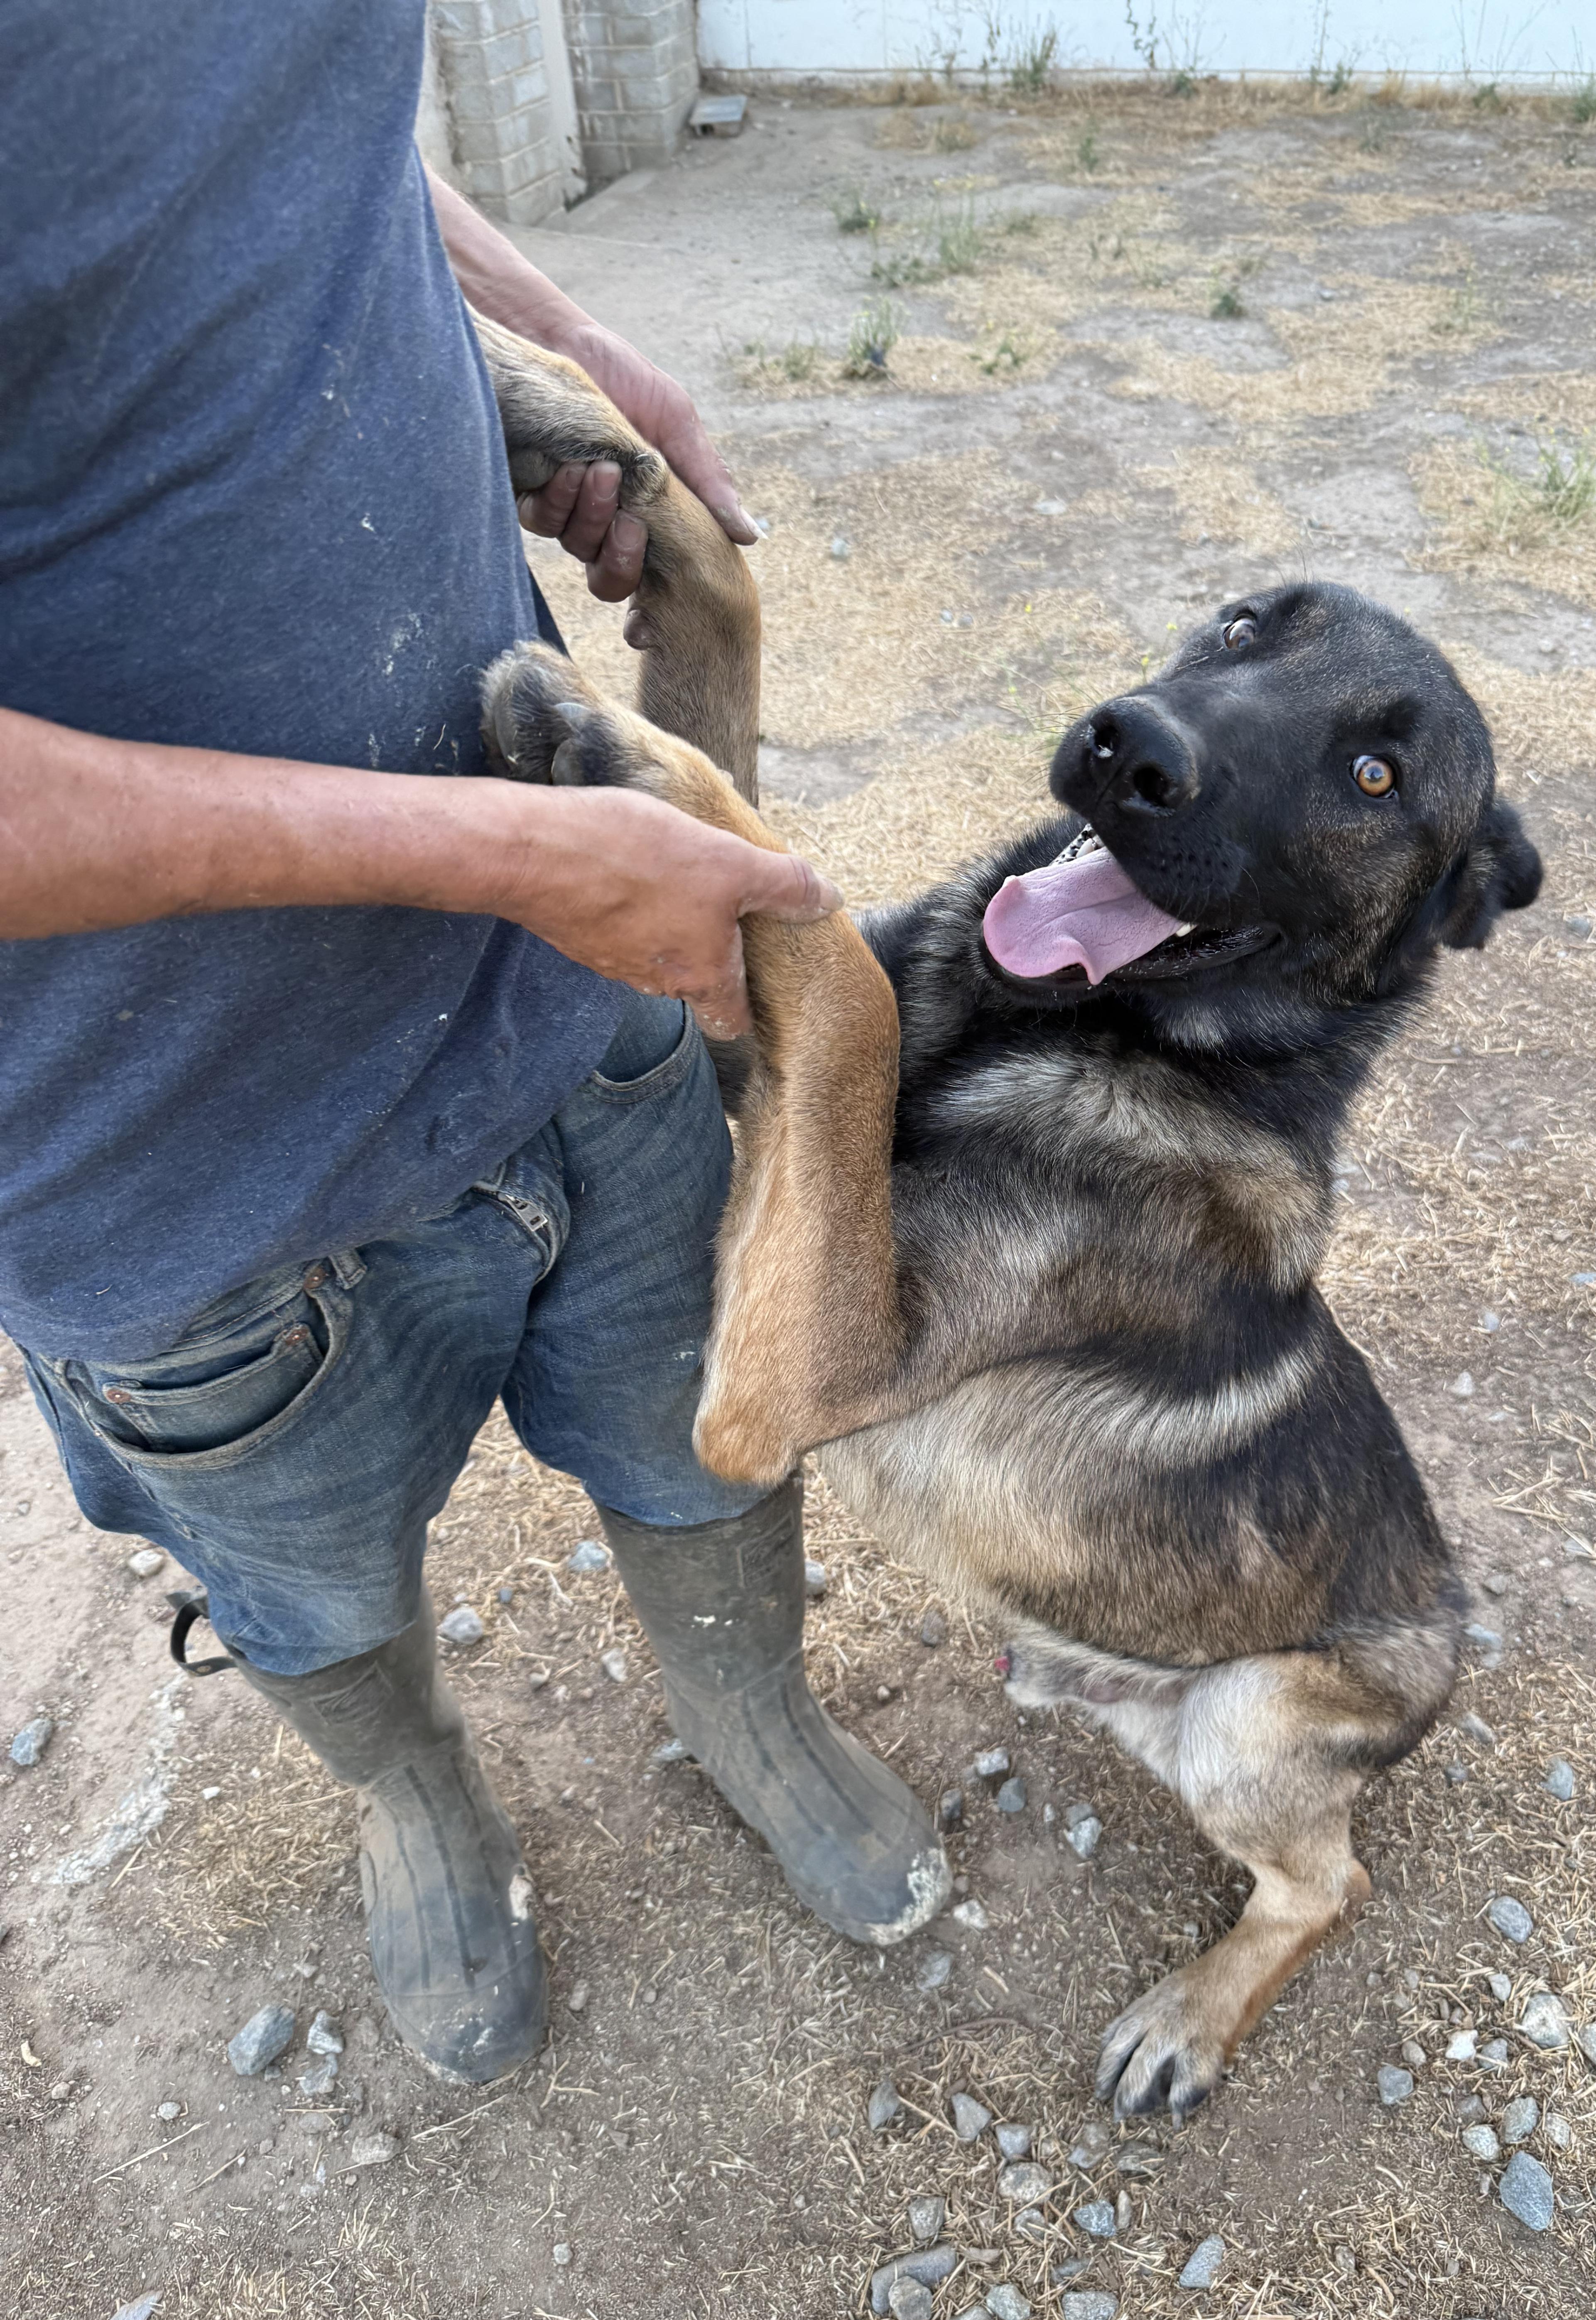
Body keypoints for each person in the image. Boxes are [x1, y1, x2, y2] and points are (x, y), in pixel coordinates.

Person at [0, 0, 948, 2084]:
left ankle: (749, 1706)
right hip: (169, 1162)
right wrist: (498, 854)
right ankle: (415, 1799)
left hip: (571, 999)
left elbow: (252, 134)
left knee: (698, 1419)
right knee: (312, 1581)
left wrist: (556, 347)